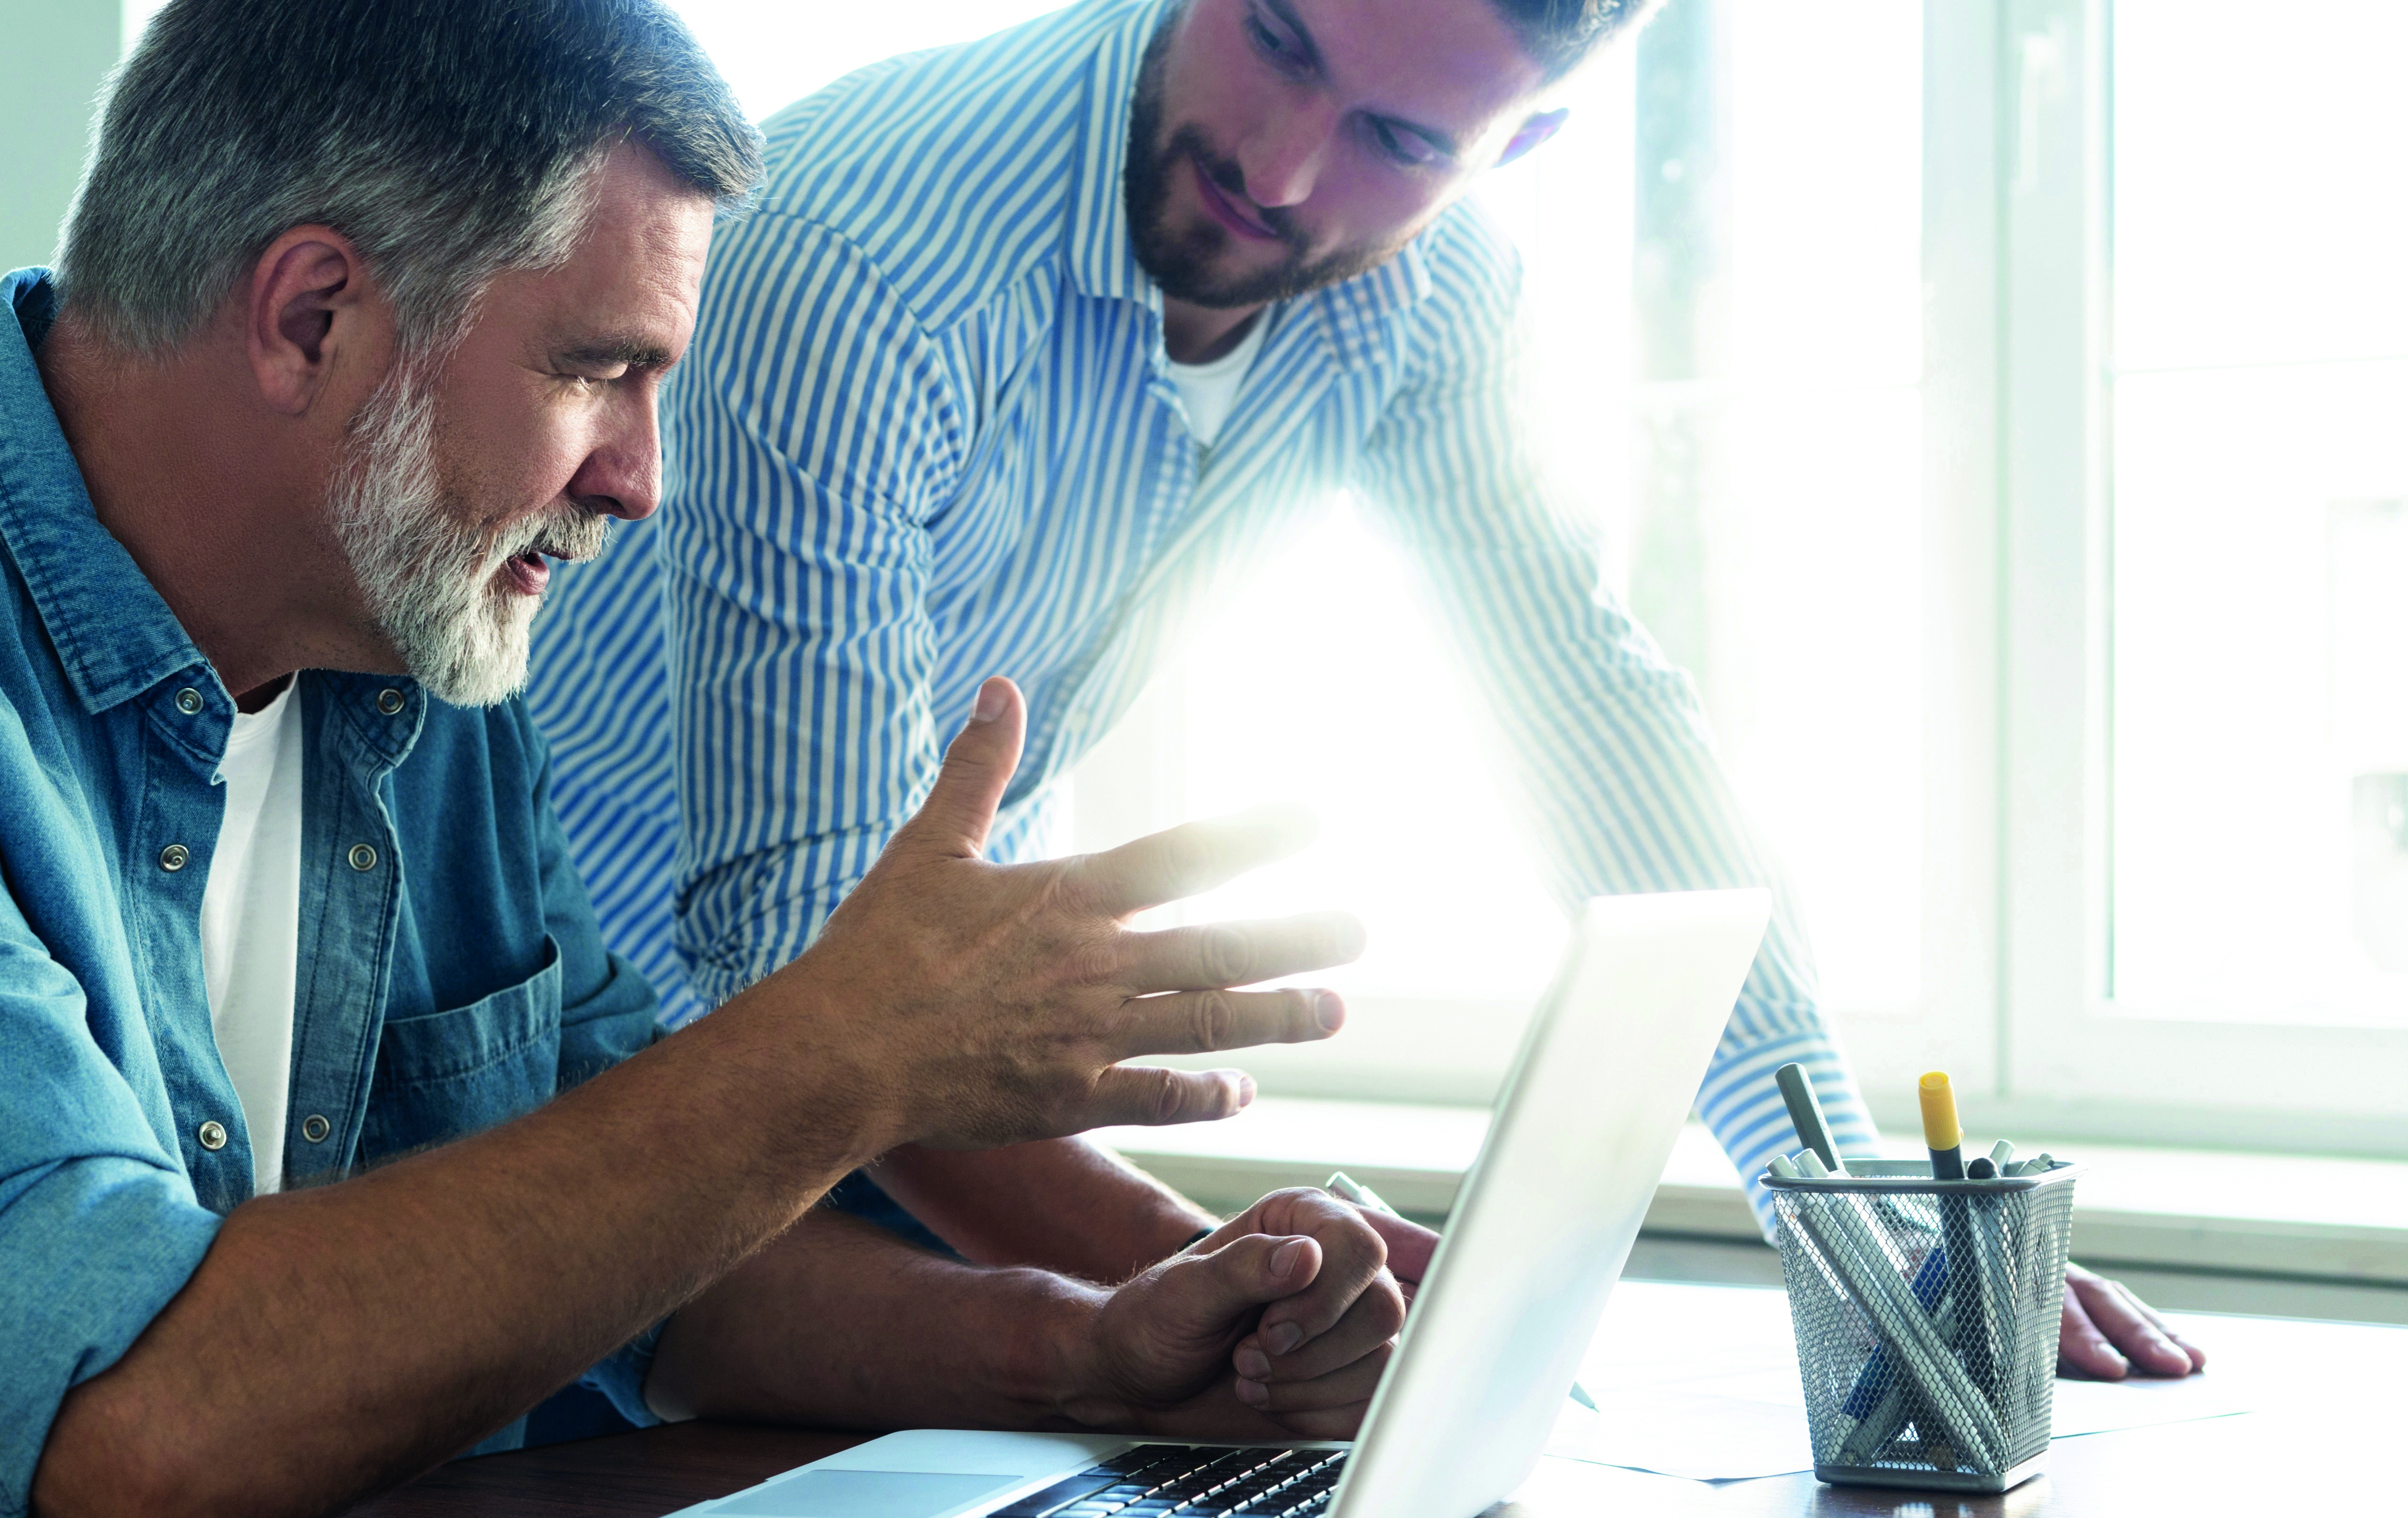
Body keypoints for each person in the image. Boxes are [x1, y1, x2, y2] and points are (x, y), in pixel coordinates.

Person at [0, 5, 1424, 1515]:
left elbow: (650, 1274)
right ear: (311, 317)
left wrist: (1101, 1355)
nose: (637, 483)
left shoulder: (410, 663)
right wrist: (852, 1050)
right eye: (601, 373)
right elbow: (138, 1424)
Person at [531, 0, 2206, 1381]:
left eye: (1402, 143)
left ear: (1515, 151)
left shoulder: (1434, 299)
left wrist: (1849, 1214)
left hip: (917, 1102)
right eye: (1279, 40)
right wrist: (1229, 1270)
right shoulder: (865, 261)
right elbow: (813, 952)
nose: (1277, 166)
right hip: (557, 1079)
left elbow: (1589, 717)